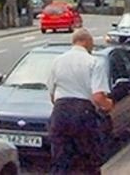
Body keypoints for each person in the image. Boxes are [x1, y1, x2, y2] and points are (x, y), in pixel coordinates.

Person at [46, 28, 114, 174]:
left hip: (60, 112)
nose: (92, 47)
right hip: (83, 113)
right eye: (92, 44)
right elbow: (98, 97)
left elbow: (52, 95)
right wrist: (108, 105)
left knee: (61, 161)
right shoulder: (93, 62)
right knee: (88, 161)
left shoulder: (57, 61)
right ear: (86, 41)